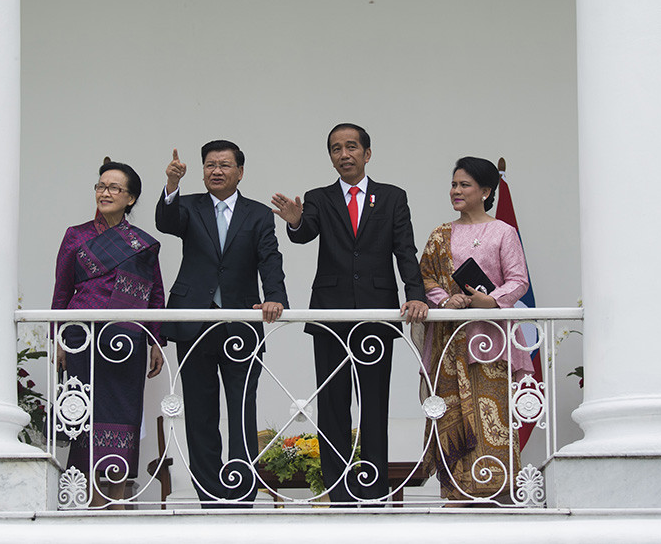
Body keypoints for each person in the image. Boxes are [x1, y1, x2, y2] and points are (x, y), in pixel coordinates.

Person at [272, 123, 428, 505]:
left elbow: (404, 250)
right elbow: (304, 232)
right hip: (330, 314)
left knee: (375, 405)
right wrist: (294, 218)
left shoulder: (392, 197)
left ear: (367, 153)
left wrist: (416, 294)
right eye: (336, 149)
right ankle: (337, 492)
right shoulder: (319, 197)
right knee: (332, 407)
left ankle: (372, 492)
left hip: (377, 313)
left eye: (351, 147)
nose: (344, 154)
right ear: (330, 156)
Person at [155, 140, 288, 507]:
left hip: (241, 325)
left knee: (242, 408)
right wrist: (170, 185)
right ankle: (210, 496)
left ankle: (241, 492)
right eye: (210, 164)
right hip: (195, 322)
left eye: (225, 165)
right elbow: (166, 223)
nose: (216, 170)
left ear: (240, 172)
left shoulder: (258, 214)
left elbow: (269, 257)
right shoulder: (187, 205)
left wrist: (275, 296)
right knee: (200, 412)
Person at [414, 156, 534, 504]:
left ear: (485, 190)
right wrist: (444, 300)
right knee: (454, 419)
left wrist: (491, 301)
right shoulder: (440, 233)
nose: (456, 191)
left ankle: (500, 494)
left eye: (464, 185)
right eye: (453, 184)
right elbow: (425, 279)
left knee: (489, 417)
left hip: (490, 342)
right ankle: (456, 495)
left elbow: (518, 281)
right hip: (450, 343)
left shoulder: (502, 232)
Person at [52, 158, 165, 509]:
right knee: (82, 415)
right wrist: (56, 338)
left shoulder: (144, 244)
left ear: (131, 198)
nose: (105, 192)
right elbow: (61, 291)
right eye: (101, 186)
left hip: (126, 342)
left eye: (114, 188)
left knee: (122, 416)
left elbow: (155, 296)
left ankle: (116, 498)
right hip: (81, 339)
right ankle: (80, 497)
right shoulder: (76, 235)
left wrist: (156, 341)